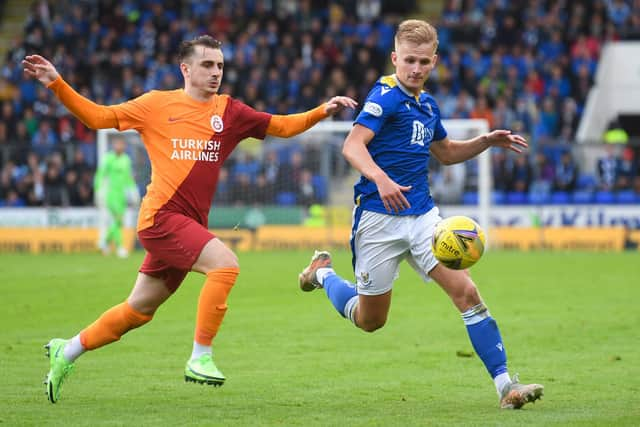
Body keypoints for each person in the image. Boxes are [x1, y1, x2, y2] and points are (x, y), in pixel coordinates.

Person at [23, 35, 356, 403]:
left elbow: (281, 126)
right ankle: (200, 356)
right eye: (207, 65)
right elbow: (98, 116)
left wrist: (321, 111)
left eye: (220, 66)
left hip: (187, 226)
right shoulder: (155, 105)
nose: (216, 73)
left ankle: (66, 350)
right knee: (225, 265)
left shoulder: (229, 112)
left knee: (137, 311)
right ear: (186, 69)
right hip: (161, 218)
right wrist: (56, 82)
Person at [297, 20, 543, 410]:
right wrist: (380, 179)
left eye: (423, 62)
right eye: (409, 60)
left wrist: (485, 141)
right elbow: (352, 145)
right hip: (378, 218)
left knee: (468, 293)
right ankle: (322, 273)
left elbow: (445, 153)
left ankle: (505, 386)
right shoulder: (386, 95)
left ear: (434, 62)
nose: (415, 68)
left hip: (425, 218)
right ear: (395, 58)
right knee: (370, 320)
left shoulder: (427, 105)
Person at [94, 137, 139, 258]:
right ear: (113, 145)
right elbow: (100, 175)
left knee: (118, 222)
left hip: (121, 196)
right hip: (111, 194)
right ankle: (120, 247)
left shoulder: (126, 160)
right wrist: (98, 190)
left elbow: (128, 178)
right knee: (118, 220)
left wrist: (133, 190)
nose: (119, 146)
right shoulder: (108, 158)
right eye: (117, 144)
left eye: (121, 144)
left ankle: (104, 242)